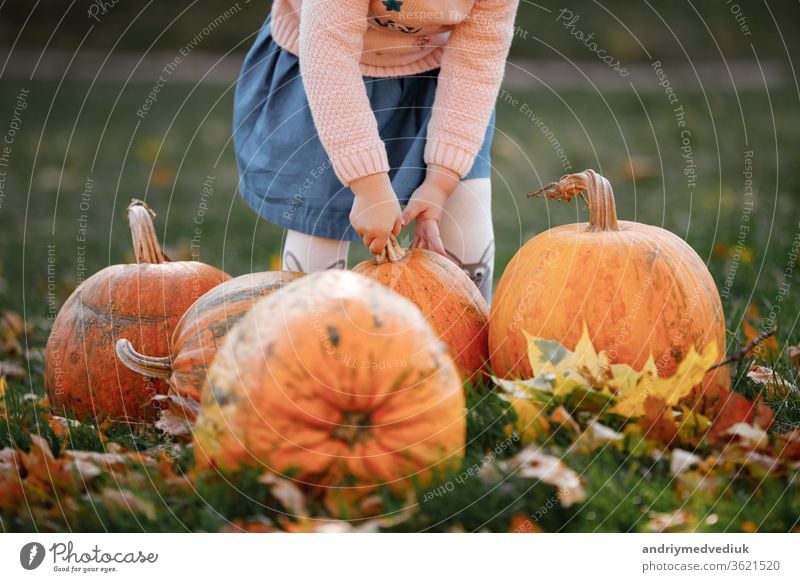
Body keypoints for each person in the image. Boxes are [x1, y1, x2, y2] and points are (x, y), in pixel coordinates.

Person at [233, 0, 519, 301]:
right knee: (320, 229)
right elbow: (329, 54)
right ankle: (308, 336)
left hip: (438, 76)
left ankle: (471, 337)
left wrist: (441, 180)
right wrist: (369, 186)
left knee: (466, 209)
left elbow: (476, 63)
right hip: (328, 73)